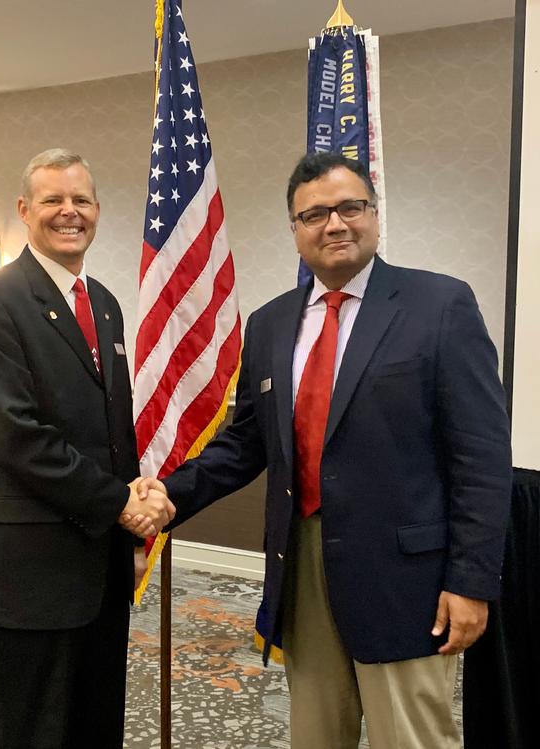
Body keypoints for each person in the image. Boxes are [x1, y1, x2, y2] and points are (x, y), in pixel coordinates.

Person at [125, 152, 512, 748]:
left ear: (374, 217)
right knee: (315, 735)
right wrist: (167, 496)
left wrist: (472, 581)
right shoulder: (271, 322)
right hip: (300, 564)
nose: (334, 224)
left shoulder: (440, 306)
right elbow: (246, 443)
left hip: (406, 579)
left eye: (349, 208)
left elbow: (481, 458)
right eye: (314, 214)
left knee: (409, 738)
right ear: (295, 230)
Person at [0, 148, 174, 749]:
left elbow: (115, 429)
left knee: (94, 724)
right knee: (30, 732)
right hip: (32, 577)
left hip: (101, 566)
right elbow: (15, 435)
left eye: (80, 200)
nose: (68, 212)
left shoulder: (101, 301)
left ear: (98, 210)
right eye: (52, 200)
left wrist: (129, 539)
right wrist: (120, 506)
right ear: (25, 211)